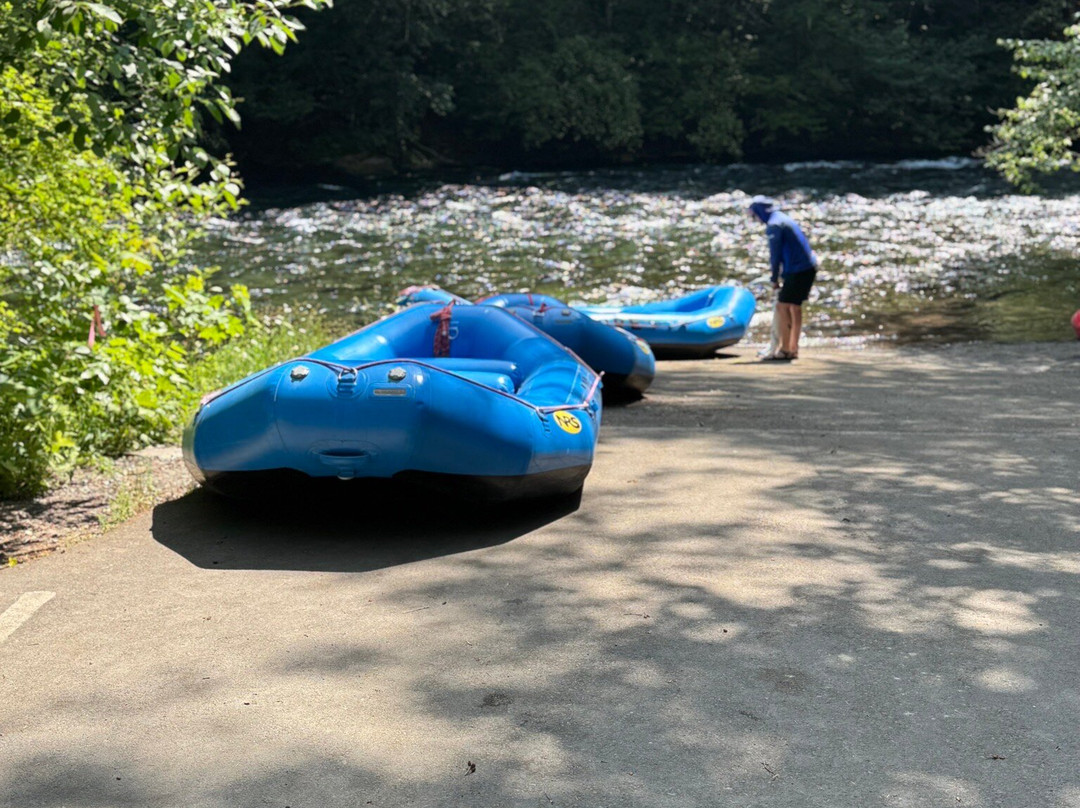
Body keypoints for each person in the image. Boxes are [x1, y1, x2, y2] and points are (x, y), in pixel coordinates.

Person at [747, 196, 818, 361]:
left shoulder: (774, 226)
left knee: (782, 306)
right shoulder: (782, 218)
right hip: (808, 267)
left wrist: (774, 279)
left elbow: (775, 256)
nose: (756, 219)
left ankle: (785, 350)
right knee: (794, 307)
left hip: (798, 270)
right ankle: (793, 348)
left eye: (755, 216)